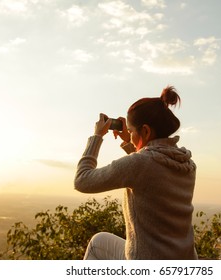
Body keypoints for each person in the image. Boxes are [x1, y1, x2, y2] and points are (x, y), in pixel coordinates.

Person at [74, 86, 197, 260]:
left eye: (131, 131)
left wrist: (97, 137)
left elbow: (82, 180)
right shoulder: (187, 163)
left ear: (145, 131)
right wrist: (130, 141)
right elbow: (150, 169)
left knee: (97, 244)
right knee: (101, 240)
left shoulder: (141, 164)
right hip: (183, 260)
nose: (129, 135)